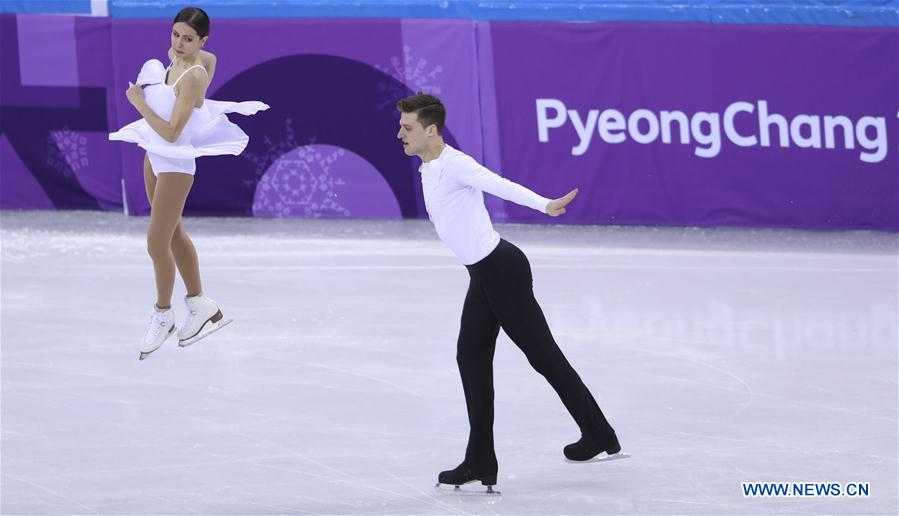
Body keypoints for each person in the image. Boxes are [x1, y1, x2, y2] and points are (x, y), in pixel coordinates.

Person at [395, 93, 624, 491]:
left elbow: (498, 184)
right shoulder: (427, 168)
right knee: (471, 359)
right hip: (483, 276)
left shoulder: (455, 164)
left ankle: (599, 433)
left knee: (544, 358)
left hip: (503, 272)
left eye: (407, 127)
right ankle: (481, 459)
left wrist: (545, 204)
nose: (400, 133)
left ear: (431, 130)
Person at [109, 7, 268, 360]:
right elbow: (209, 59)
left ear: (202, 40)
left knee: (156, 242)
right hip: (153, 155)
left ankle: (163, 314)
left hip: (176, 162)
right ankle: (201, 304)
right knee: (174, 234)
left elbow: (171, 131)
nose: (179, 44)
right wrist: (192, 86)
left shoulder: (194, 74)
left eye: (188, 39)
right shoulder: (179, 57)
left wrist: (138, 103)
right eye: (176, 35)